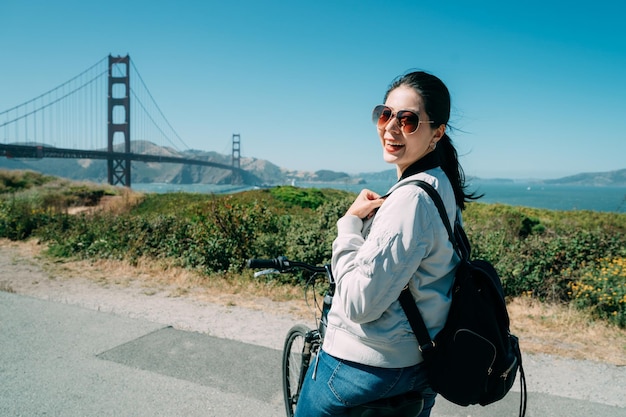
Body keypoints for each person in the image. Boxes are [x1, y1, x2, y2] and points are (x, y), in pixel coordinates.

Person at [293, 70, 480, 417]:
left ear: (437, 132)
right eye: (386, 114)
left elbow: (358, 304)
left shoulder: (410, 200)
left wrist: (349, 226)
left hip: (365, 368)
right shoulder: (439, 185)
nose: (391, 128)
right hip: (418, 363)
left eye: (408, 120)